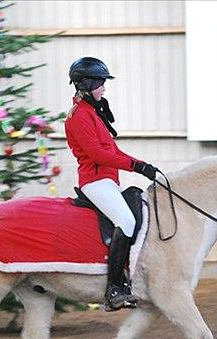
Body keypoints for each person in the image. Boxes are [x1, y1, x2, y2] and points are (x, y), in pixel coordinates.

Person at [64, 56, 158, 311]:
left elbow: (113, 151)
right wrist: (135, 167)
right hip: (94, 182)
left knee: (135, 216)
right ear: (87, 84)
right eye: (101, 84)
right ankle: (114, 288)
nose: (104, 89)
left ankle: (127, 280)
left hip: (107, 180)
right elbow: (97, 155)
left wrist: (143, 165)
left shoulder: (93, 113)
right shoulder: (78, 117)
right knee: (126, 221)